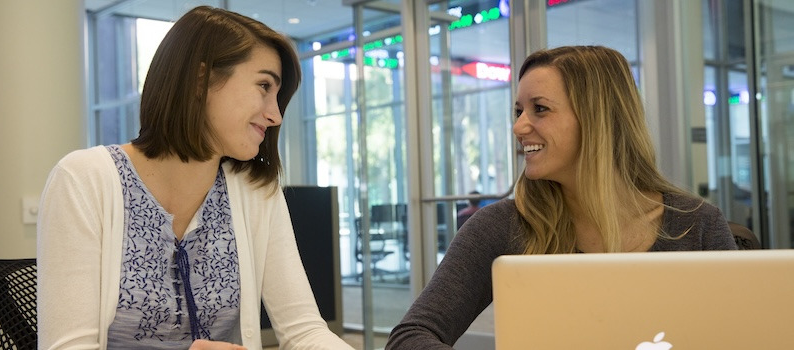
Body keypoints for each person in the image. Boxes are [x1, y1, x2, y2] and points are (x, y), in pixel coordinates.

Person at [36, 6, 353, 350]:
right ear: (201, 80)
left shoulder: (255, 190)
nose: (275, 115)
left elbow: (305, 331)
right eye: (264, 86)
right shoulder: (84, 180)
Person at [385, 45, 737, 349]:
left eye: (540, 108)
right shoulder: (502, 226)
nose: (519, 127)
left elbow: (742, 336)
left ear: (598, 119)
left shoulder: (698, 224)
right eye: (518, 111)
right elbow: (410, 337)